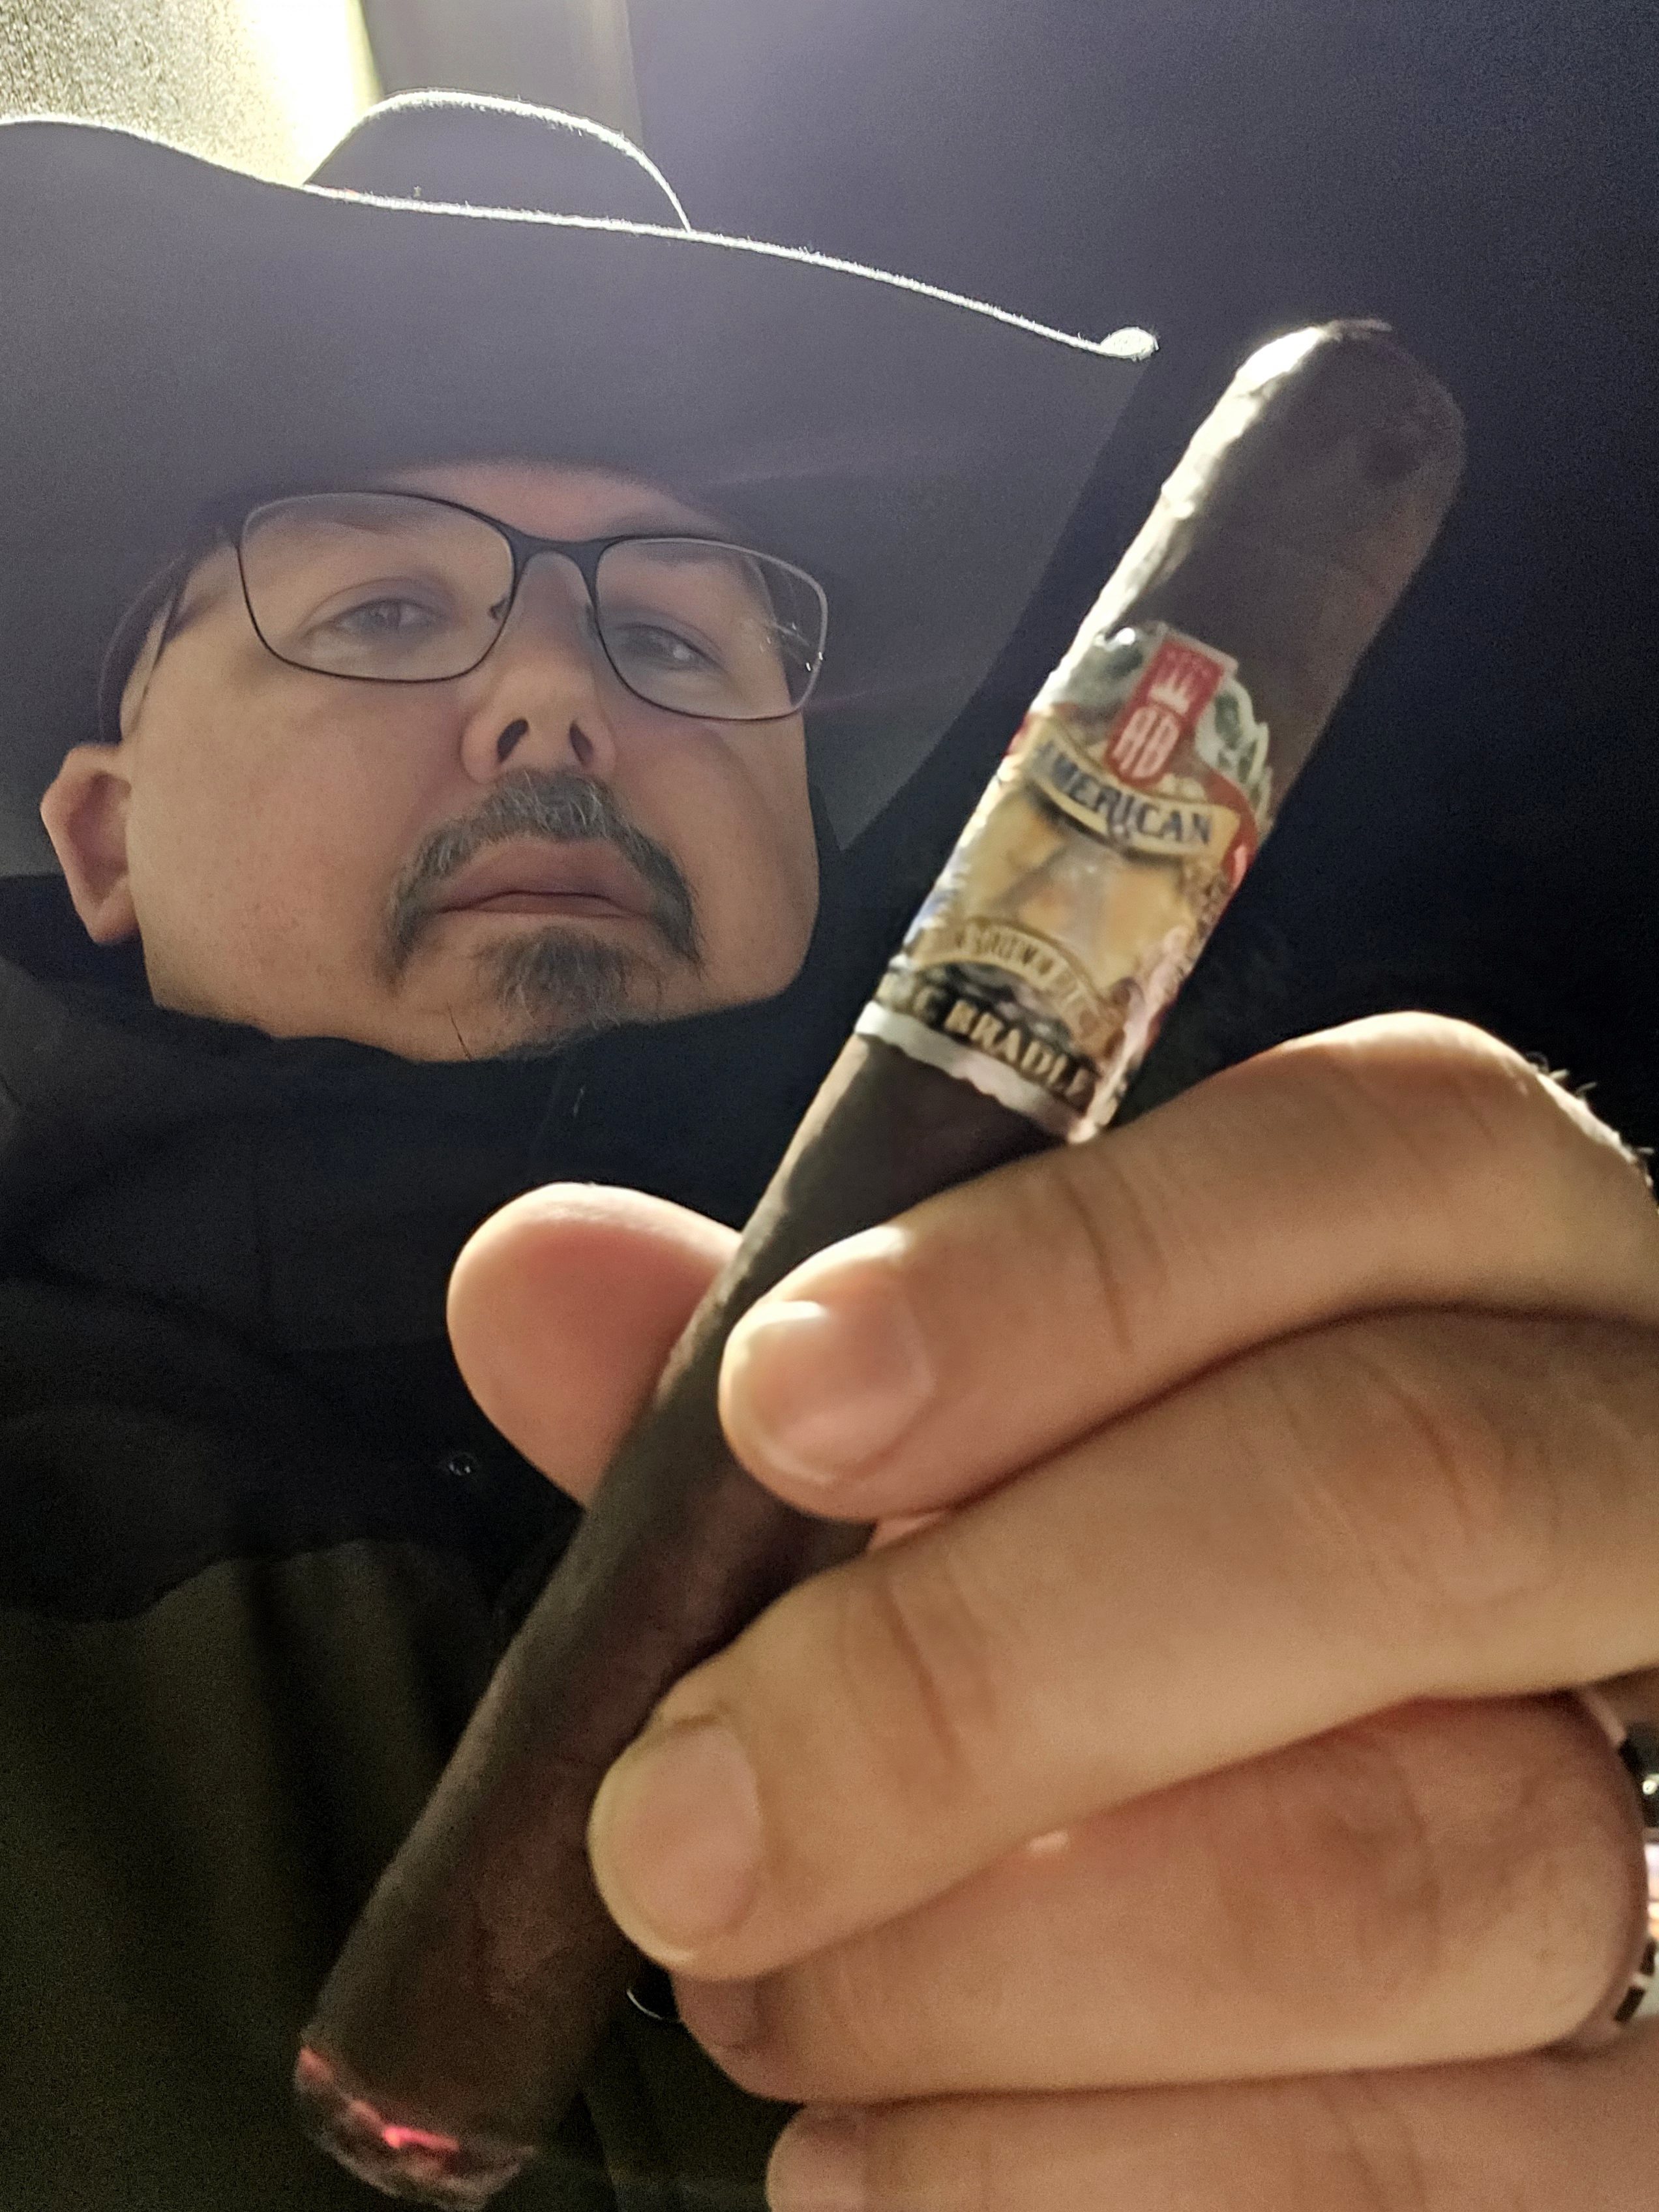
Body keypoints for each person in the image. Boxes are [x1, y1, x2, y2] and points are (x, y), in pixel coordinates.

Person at [2, 89, 1657, 2212]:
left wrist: (1614, 1880)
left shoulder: (1209, 1376)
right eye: (388, 611)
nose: (553, 703)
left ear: (806, 827)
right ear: (102, 836)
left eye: (672, 637)